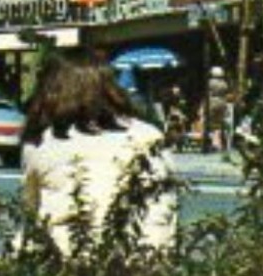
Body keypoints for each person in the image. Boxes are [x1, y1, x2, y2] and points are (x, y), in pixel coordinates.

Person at [20, 56, 177, 255]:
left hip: (65, 262)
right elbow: (165, 208)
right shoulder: (149, 135)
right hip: (144, 258)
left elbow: (31, 215)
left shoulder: (43, 142)